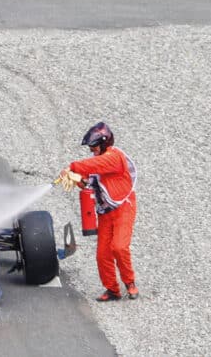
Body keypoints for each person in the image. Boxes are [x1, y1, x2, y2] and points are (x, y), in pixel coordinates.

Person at [58, 122, 139, 302]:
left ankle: (130, 283)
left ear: (103, 143)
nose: (91, 150)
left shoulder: (113, 157)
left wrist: (72, 167)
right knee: (102, 254)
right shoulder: (101, 161)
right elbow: (90, 182)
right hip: (105, 212)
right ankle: (112, 290)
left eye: (93, 146)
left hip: (123, 208)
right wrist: (77, 180)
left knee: (119, 247)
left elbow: (95, 164)